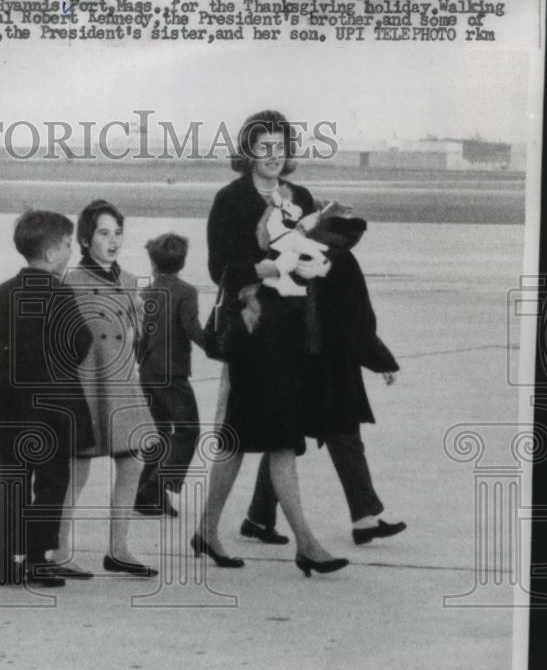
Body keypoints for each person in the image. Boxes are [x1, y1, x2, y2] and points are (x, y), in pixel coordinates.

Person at [201, 109, 347, 575]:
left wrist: (313, 264)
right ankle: (302, 541)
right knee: (255, 437)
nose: (273, 156)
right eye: (263, 148)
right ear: (248, 152)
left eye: (280, 148)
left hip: (290, 331)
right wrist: (270, 266)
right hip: (249, 332)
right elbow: (219, 269)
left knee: (264, 437)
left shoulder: (300, 196)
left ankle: (212, 530)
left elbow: (313, 254)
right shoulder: (231, 199)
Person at [244, 216, 406, 546]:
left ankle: (259, 517)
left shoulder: (293, 252)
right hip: (331, 369)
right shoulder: (343, 261)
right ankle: (363, 517)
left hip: (295, 365)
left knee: (285, 444)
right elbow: (358, 319)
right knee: (343, 436)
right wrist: (382, 360)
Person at [0, 210, 95, 587]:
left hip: (10, 406)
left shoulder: (3, 291)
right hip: (52, 408)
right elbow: (79, 342)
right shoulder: (60, 292)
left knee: (12, 482)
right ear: (49, 254)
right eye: (66, 245)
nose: (70, 251)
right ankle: (36, 556)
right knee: (50, 483)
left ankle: (4, 561)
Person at [48, 200, 159, 578]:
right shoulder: (71, 282)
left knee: (132, 462)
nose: (113, 241)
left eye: (117, 233)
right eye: (103, 233)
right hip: (85, 389)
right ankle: (59, 551)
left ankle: (119, 549)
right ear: (85, 238)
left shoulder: (130, 281)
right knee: (75, 471)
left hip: (122, 385)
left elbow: (139, 336)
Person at [134, 233, 206, 518]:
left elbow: (137, 338)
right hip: (172, 373)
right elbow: (192, 329)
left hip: (148, 372)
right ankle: (153, 488)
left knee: (160, 434)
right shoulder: (186, 291)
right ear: (183, 261)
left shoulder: (146, 293)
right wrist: (218, 347)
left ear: (153, 263)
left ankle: (147, 495)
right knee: (188, 431)